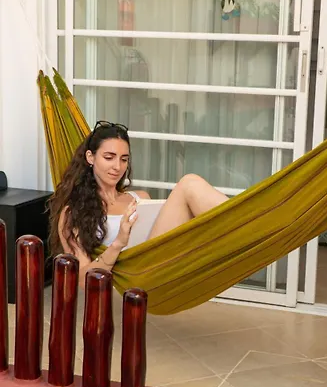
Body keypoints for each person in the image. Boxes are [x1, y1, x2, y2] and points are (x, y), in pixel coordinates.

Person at [48, 120, 228, 288]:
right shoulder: (74, 212)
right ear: (90, 157)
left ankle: (238, 229)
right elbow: (82, 280)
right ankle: (240, 224)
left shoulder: (140, 198)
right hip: (137, 276)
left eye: (124, 159)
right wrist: (118, 243)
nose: (117, 167)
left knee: (190, 187)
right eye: (109, 157)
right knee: (188, 184)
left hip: (167, 262)